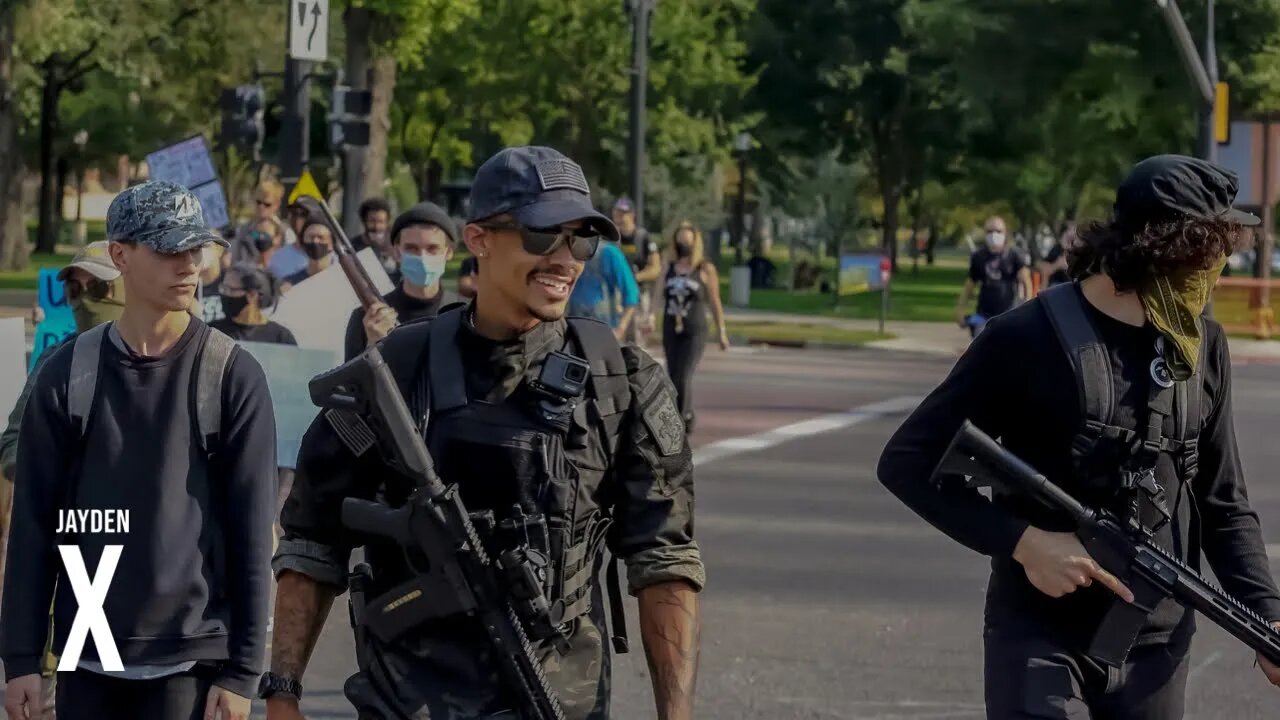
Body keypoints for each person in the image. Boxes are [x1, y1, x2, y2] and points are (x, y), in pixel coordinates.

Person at [264, 145, 703, 720]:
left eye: (582, 240)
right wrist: (282, 693)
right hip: (408, 701)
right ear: (478, 240)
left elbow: (664, 560)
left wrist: (676, 715)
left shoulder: (622, 382)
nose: (566, 258)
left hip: (558, 702)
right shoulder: (397, 371)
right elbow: (312, 538)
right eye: (544, 235)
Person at [878, 155, 1280, 719]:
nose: (1219, 272)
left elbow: (1222, 501)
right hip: (1037, 633)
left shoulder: (1202, 347)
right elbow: (907, 460)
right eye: (1212, 254)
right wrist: (1024, 541)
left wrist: (1268, 615)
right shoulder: (1024, 337)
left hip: (1156, 644)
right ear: (1171, 250)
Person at [1, 181, 277, 720]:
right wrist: (21, 659)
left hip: (191, 657)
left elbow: (251, 533)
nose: (189, 264)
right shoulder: (67, 373)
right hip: (88, 647)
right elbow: (34, 525)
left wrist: (244, 671)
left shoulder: (230, 375)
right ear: (121, 256)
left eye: (195, 248)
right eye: (169, 249)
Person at [0, 242, 126, 604]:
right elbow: (12, 443)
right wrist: (56, 472)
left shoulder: (172, 359)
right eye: (74, 290)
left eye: (99, 288)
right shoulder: (56, 361)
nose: (83, 300)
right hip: (73, 542)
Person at [343, 201, 462, 361]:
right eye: (412, 248)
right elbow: (347, 384)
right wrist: (372, 347)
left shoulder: (467, 315)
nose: (422, 257)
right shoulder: (368, 318)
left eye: (432, 248)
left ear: (448, 252)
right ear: (396, 252)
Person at [651, 222, 729, 435]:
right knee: (673, 374)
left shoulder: (704, 269)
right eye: (680, 241)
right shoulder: (668, 267)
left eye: (687, 242)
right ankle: (687, 414)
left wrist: (721, 331)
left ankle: (680, 419)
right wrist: (650, 316)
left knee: (684, 375)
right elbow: (658, 293)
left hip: (694, 328)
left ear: (695, 244)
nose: (683, 245)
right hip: (670, 326)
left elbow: (714, 300)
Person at [956, 215, 1033, 337]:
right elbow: (969, 286)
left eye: (998, 231)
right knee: (981, 350)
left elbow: (1027, 282)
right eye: (990, 231)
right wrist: (960, 311)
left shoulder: (1014, 255)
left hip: (1009, 313)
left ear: (1005, 232)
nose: (994, 234)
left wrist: (1028, 309)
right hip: (983, 314)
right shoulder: (978, 257)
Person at [567, 235, 639, 341]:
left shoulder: (610, 253)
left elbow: (631, 292)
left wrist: (620, 329)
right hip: (573, 328)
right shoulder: (568, 252)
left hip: (605, 328)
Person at [211, 262, 297, 345]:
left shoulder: (281, 337)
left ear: (252, 295)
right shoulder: (213, 332)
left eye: (231, 290)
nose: (225, 294)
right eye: (223, 288)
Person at [613, 197, 660, 343]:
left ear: (632, 215)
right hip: (615, 294)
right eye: (617, 213)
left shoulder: (643, 237)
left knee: (636, 339)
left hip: (638, 294)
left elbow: (655, 268)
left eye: (623, 213)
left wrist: (634, 277)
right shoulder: (611, 237)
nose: (619, 217)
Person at [279, 217, 335, 291]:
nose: (315, 241)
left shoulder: (341, 277)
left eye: (321, 237)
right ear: (303, 244)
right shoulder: (290, 283)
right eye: (311, 237)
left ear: (331, 244)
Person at [350, 197, 398, 282]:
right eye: (372, 221)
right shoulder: (352, 246)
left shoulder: (395, 245)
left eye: (381, 222)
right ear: (364, 221)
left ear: (387, 222)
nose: (377, 227)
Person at [1041, 223, 1076, 289]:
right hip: (1056, 286)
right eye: (1071, 230)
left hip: (1072, 286)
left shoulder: (1076, 250)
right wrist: (1057, 265)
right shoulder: (1055, 250)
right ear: (1064, 233)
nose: (1073, 233)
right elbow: (1044, 270)